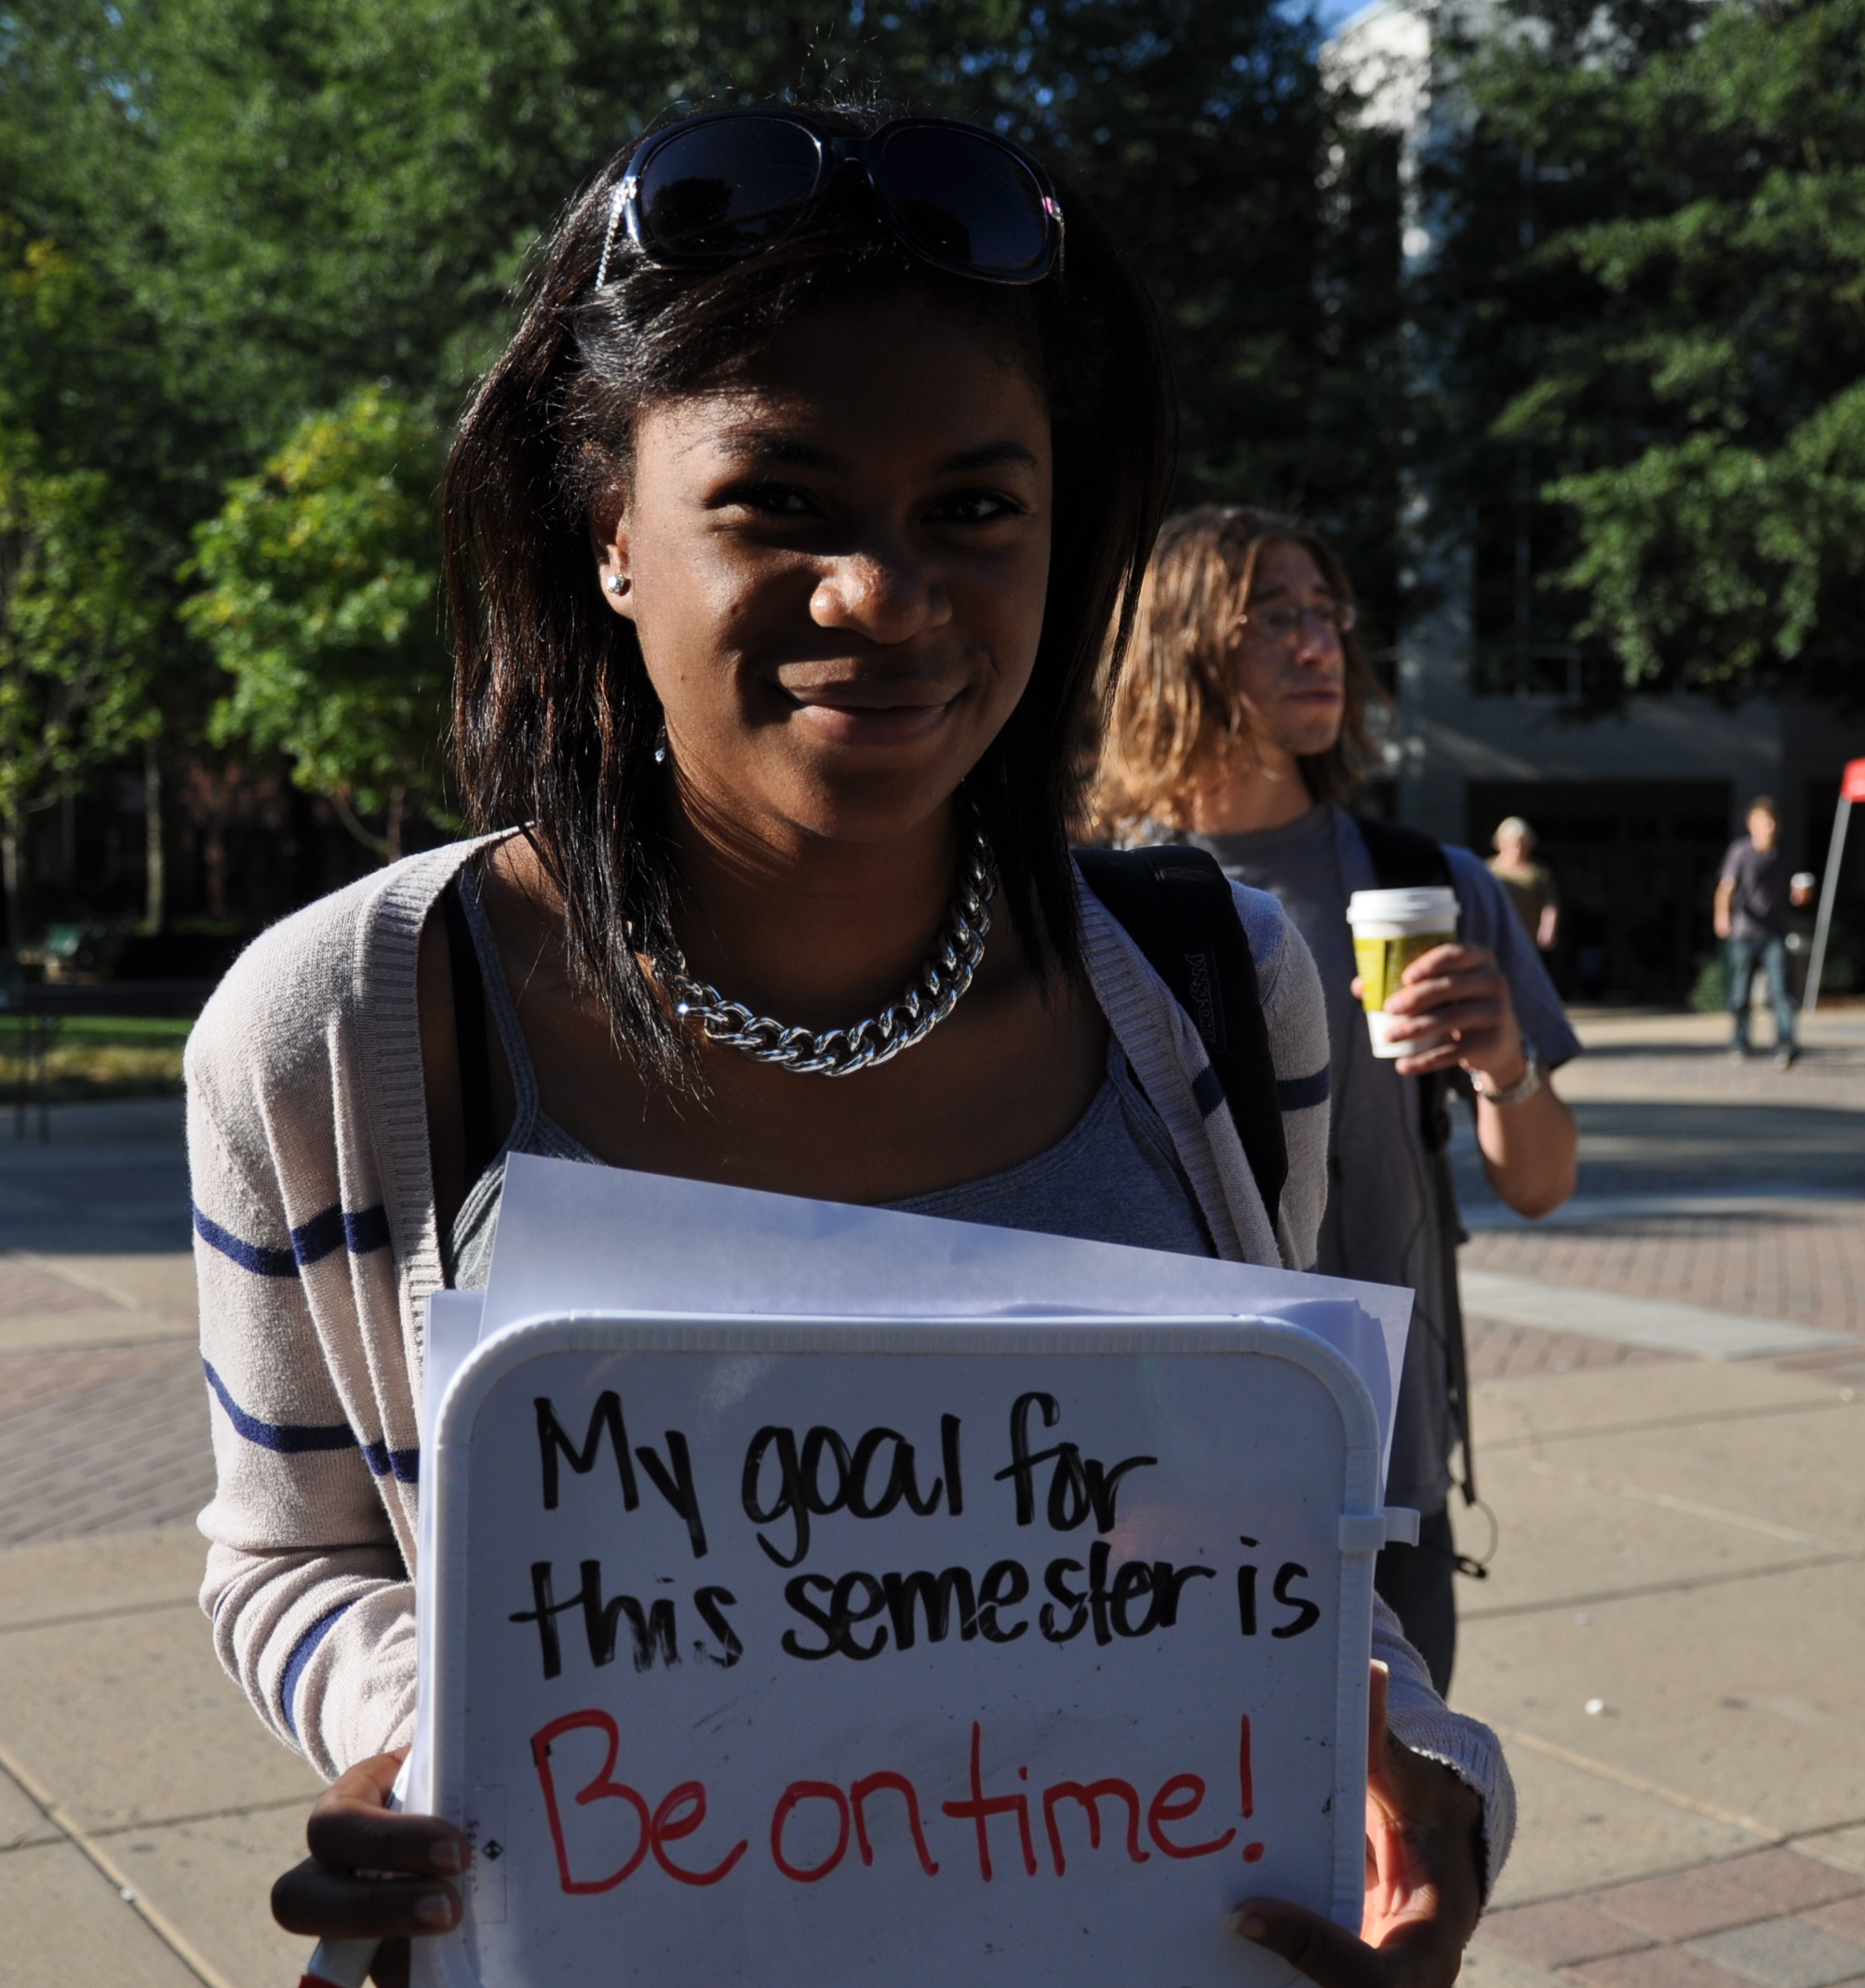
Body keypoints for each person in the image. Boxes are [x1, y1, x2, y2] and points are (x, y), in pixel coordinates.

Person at [189, 107, 1509, 1986]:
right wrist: (439, 1742)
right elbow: (284, 1561)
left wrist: (1432, 1781)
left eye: (973, 507)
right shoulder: (341, 1031)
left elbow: (1320, 1547)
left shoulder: (1232, 991)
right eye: (780, 500)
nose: (882, 596)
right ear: (611, 534)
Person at [1086, 504, 1580, 1697]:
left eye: (1328, 615)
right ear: (1180, 645)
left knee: (1393, 1863)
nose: (1320, 646)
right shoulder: (1088, 900)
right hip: (1153, 1489)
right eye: (1275, 617)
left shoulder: (1433, 883)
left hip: (1386, 1475)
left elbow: (1541, 1181)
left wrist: (1503, 1062)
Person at [1714, 797, 1798, 1066]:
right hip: (1744, 932)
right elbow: (1726, 887)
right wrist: (1722, 916)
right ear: (1751, 824)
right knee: (1740, 992)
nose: (1769, 826)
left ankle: (1785, 1044)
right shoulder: (1740, 852)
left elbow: (1792, 888)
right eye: (1763, 820)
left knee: (1781, 990)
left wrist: (1800, 896)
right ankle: (1739, 1042)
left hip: (1775, 931)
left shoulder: (1783, 853)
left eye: (1773, 821)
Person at [1487, 817, 1561, 956]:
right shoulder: (1488, 870)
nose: (1518, 849)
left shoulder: (1538, 873)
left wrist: (1547, 928)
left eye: (1522, 844)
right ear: (1501, 843)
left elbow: (1549, 903)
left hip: (1526, 937)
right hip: (1496, 936)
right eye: (1513, 844)